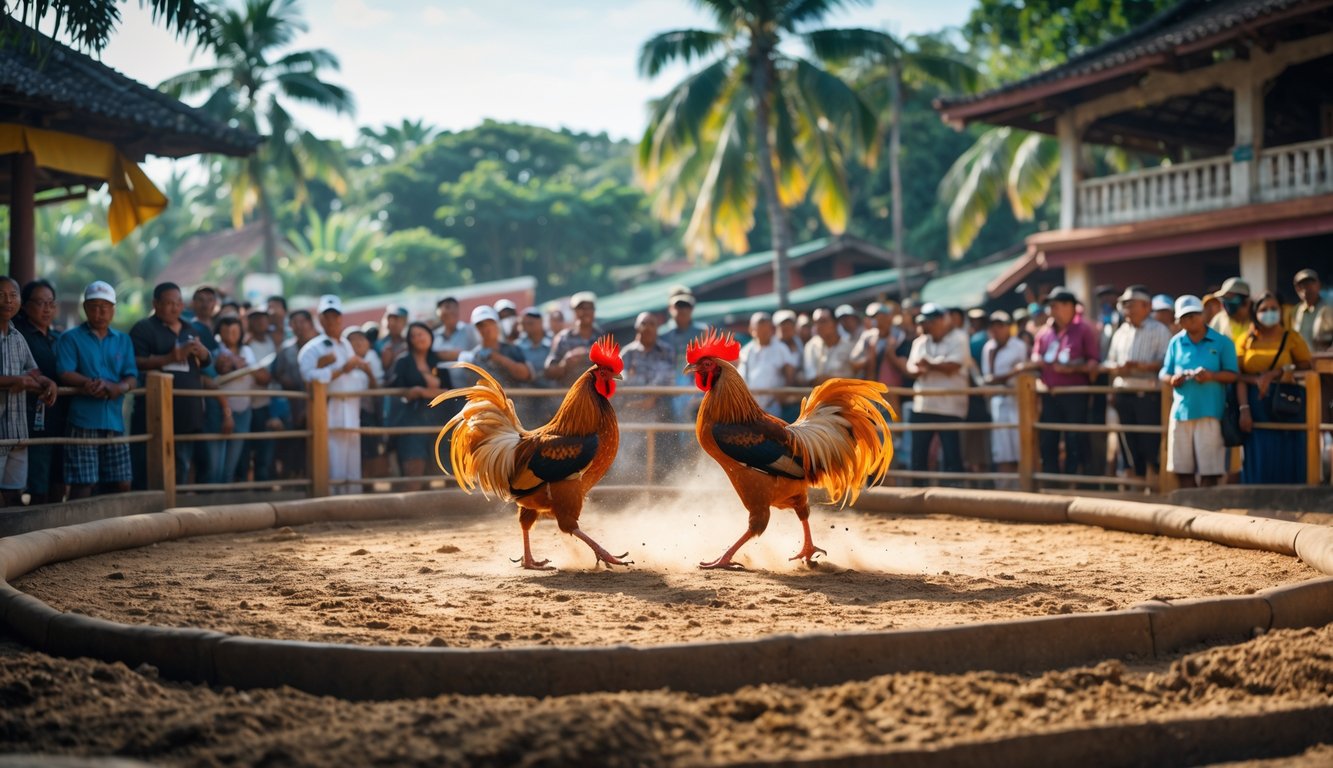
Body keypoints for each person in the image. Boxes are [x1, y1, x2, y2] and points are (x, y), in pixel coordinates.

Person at [54, 281, 135, 500]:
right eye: (94, 306)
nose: (99, 312)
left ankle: (118, 531)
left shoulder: (123, 340)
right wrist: (90, 383)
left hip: (114, 420)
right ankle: (81, 532)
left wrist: (119, 387)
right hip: (83, 419)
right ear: (85, 308)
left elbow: (132, 376)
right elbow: (64, 371)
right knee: (83, 484)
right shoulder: (70, 338)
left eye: (105, 306)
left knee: (122, 481)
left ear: (113, 309)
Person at [130, 282, 212, 485]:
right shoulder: (143, 328)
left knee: (187, 462)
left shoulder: (190, 328)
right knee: (152, 463)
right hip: (155, 411)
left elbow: (205, 362)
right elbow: (135, 362)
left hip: (188, 410)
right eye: (168, 303)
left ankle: (183, 509)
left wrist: (203, 353)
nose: (174, 307)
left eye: (178, 303)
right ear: (155, 304)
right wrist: (170, 357)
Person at [1161, 296, 1238, 488]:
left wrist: (1211, 376)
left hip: (1211, 412)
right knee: (1181, 468)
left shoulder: (1222, 342)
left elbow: (1233, 375)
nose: (1190, 320)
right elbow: (1164, 372)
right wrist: (1173, 379)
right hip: (1181, 411)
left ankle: (1208, 512)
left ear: (1202, 315)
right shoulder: (1175, 343)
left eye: (1193, 315)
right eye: (1185, 317)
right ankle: (1189, 510)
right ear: (1179, 321)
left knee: (1210, 470)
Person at [1236, 291, 1312, 484]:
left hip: (1286, 404)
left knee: (1287, 450)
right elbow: (1237, 374)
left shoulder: (1291, 337)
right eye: (1263, 309)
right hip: (1255, 405)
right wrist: (1245, 407)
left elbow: (1306, 364)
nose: (1269, 312)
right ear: (1255, 313)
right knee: (1259, 450)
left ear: (1280, 311)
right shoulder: (1246, 339)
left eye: (1273, 308)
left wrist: (1275, 374)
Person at [299, 295, 371, 494]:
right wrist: (341, 369)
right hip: (329, 411)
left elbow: (352, 374)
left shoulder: (345, 345)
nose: (332, 320)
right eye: (327, 316)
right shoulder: (312, 348)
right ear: (320, 319)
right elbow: (308, 377)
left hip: (351, 409)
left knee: (352, 460)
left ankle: (353, 503)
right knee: (333, 458)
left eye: (335, 316)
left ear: (341, 318)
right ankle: (333, 502)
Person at [1102, 286, 1172, 484]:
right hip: (1124, 392)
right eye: (1125, 305)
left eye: (1131, 304)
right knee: (1130, 443)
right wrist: (1118, 368)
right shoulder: (1120, 332)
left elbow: (1166, 361)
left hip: (1148, 394)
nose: (1127, 309)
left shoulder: (1159, 330)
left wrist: (1143, 366)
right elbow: (1108, 361)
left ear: (1147, 306)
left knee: (1151, 443)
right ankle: (1140, 485)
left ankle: (1157, 484)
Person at [1031, 286, 1101, 481]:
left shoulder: (1084, 329)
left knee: (1075, 437)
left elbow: (1094, 360)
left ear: (1069, 306)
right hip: (1049, 394)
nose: (1051, 309)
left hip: (1075, 394)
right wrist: (1038, 362)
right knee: (1048, 437)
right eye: (1050, 306)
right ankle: (1052, 480)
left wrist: (1074, 368)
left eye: (1055, 305)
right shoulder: (1043, 333)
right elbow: (1035, 356)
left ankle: (1077, 480)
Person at [0, 276, 57, 505]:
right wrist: (17, 380)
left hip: (17, 430)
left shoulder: (17, 337)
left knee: (13, 493)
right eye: (1, 295)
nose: (7, 300)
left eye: (13, 295)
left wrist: (46, 382)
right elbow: (22, 377)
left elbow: (32, 370)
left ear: (19, 301)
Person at [906, 303, 970, 485]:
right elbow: (911, 368)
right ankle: (916, 496)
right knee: (918, 454)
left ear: (942, 320)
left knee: (951, 453)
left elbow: (954, 366)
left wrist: (929, 364)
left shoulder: (959, 337)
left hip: (949, 406)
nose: (927, 326)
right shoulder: (920, 341)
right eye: (925, 322)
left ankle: (956, 497)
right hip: (923, 404)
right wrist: (924, 367)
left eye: (931, 322)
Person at [15, 279, 66, 504]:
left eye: (50, 303)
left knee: (59, 477)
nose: (47, 309)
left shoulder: (60, 338)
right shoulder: (19, 336)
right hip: (30, 414)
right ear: (24, 306)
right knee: (37, 478)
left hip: (60, 415)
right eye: (39, 303)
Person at [388, 322, 452, 490]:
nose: (418, 338)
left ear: (430, 335)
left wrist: (421, 392)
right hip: (412, 420)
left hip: (439, 419)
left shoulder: (438, 361)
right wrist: (418, 392)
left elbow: (449, 390)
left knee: (446, 466)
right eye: (414, 335)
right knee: (414, 468)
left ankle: (448, 511)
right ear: (409, 340)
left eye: (421, 333)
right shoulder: (403, 361)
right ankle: (409, 512)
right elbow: (397, 390)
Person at [619, 311, 677, 478]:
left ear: (657, 328)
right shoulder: (627, 353)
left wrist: (652, 398)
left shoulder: (666, 351)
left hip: (661, 412)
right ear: (637, 327)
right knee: (627, 458)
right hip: (631, 412)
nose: (648, 328)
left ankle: (660, 491)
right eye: (644, 324)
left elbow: (668, 379)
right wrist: (636, 402)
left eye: (652, 324)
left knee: (662, 459)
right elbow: (620, 382)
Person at [980, 311, 1026, 487]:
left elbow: (1022, 375)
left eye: (1001, 325)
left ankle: (1022, 490)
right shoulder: (988, 348)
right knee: (1002, 452)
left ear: (1008, 327)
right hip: (998, 402)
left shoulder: (1019, 346)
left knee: (1019, 450)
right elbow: (988, 378)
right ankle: (1004, 491)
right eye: (994, 326)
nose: (997, 329)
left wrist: (1003, 378)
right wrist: (1009, 374)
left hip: (1017, 402)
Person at [271, 309, 317, 479]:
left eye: (301, 321)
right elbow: (276, 374)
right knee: (291, 444)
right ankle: (292, 478)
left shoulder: (318, 346)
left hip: (315, 403)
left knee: (313, 444)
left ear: (310, 323)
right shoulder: (286, 349)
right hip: (291, 406)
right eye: (294, 322)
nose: (298, 326)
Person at [212, 316, 257, 485]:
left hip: (244, 409)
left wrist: (244, 367)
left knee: (232, 461)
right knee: (216, 463)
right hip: (220, 411)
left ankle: (225, 497)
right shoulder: (216, 353)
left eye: (235, 331)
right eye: (226, 331)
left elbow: (259, 374)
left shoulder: (247, 351)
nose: (231, 335)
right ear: (219, 332)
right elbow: (214, 380)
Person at [344, 326, 388, 482]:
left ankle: (366, 485)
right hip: (344, 415)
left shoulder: (371, 359)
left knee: (368, 452)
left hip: (367, 413)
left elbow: (376, 390)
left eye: (361, 339)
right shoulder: (341, 361)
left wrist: (367, 371)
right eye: (352, 339)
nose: (357, 343)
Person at [239, 308, 277, 483]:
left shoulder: (272, 341)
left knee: (265, 451)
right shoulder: (245, 345)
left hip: (267, 404)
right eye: (256, 319)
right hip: (248, 404)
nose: (261, 322)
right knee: (245, 450)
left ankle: (264, 487)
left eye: (263, 318)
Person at [737, 312, 798, 418]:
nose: (763, 333)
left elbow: (790, 374)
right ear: (752, 330)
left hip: (772, 406)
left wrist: (782, 395)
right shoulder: (746, 351)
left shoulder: (781, 349)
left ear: (771, 329)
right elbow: (740, 378)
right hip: (748, 406)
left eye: (766, 329)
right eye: (759, 329)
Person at [545, 291, 603, 389]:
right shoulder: (563, 338)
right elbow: (549, 372)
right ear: (574, 311)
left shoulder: (603, 338)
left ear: (594, 311)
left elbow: (614, 371)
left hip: (596, 396)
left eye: (589, 308)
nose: (585, 312)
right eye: (581, 308)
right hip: (569, 395)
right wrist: (565, 363)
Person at [802, 307, 855, 385]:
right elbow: (811, 378)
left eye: (823, 321)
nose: (818, 326)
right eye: (816, 322)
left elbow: (855, 378)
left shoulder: (850, 346)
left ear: (835, 323)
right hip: (819, 395)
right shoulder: (811, 346)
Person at [772, 309, 805, 422]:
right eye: (783, 325)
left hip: (796, 398)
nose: (786, 328)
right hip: (775, 401)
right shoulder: (773, 347)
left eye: (789, 324)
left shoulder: (798, 343)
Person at [1292, 269, 1333, 353]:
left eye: (1309, 284)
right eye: (1301, 285)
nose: (1305, 288)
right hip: (1303, 362)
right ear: (1296, 289)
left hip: (1325, 361)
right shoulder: (1296, 311)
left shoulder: (1329, 307)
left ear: (1318, 285)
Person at [431, 296, 480, 361]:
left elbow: (480, 353)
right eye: (447, 307)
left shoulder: (470, 330)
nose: (451, 310)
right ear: (438, 312)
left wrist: (461, 355)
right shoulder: (433, 336)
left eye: (455, 307)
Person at [1209, 277, 1252, 346]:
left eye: (1230, 298)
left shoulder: (1256, 320)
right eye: (1223, 298)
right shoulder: (1219, 320)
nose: (1225, 302)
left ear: (1244, 300)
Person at [376, 304, 410, 372]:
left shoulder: (410, 341)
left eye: (398, 320)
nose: (393, 323)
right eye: (391, 319)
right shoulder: (378, 344)